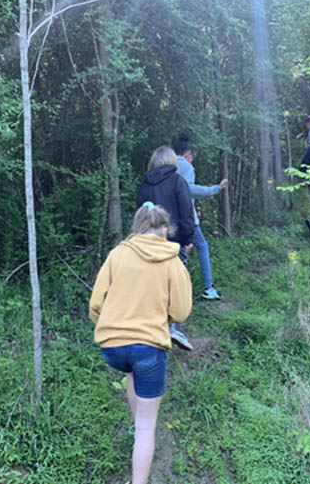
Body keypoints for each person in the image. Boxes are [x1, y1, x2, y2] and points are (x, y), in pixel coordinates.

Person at [89, 202, 192, 484]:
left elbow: (96, 304)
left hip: (112, 347)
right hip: (148, 346)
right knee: (149, 426)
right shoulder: (172, 260)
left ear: (137, 228)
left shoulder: (118, 254)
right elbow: (181, 312)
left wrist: (110, 324)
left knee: (133, 374)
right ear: (165, 230)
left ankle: (136, 432)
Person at [136, 146, 195, 350]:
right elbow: (187, 212)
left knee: (155, 284)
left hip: (148, 243)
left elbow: (140, 216)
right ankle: (175, 328)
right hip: (174, 241)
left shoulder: (143, 185)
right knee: (178, 284)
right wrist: (187, 238)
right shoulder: (177, 181)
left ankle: (154, 327)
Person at [173, 135, 228, 300]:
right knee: (202, 246)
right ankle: (207, 287)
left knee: (175, 252)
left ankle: (171, 290)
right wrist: (216, 188)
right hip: (187, 217)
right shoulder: (186, 166)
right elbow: (189, 190)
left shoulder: (165, 165)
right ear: (187, 152)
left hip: (167, 217)